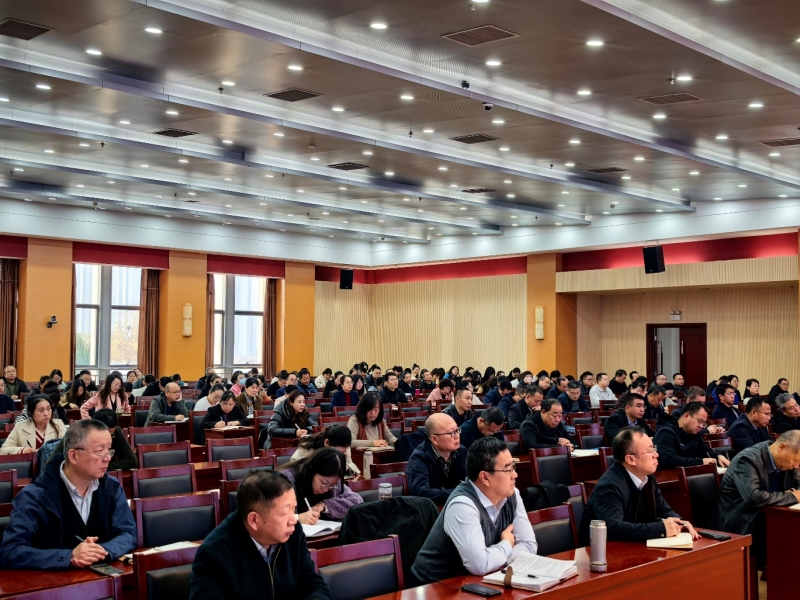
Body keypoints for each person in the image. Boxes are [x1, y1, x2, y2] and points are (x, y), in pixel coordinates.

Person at [0, 419, 136, 570]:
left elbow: (128, 532)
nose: (107, 458)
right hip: (52, 581)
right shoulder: (34, 496)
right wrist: (69, 556)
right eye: (99, 451)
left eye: (109, 450)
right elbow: (10, 551)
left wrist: (102, 551)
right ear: (73, 456)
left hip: (101, 578)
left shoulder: (112, 487)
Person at [188, 469, 332, 600]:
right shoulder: (213, 554)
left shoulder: (293, 533)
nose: (293, 520)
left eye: (294, 509)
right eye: (284, 513)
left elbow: (313, 584)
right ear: (254, 520)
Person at [411, 437, 538, 584]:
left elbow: (529, 545)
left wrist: (496, 559)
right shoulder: (462, 505)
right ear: (485, 477)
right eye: (508, 469)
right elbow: (480, 565)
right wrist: (507, 544)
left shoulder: (512, 494)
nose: (515, 475)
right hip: (436, 587)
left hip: (476, 582)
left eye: (513, 467)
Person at [578, 427, 699, 546]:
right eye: (650, 450)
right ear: (631, 459)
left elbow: (663, 509)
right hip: (602, 551)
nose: (656, 454)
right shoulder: (609, 486)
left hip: (633, 546)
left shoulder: (647, 477)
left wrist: (681, 522)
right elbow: (613, 527)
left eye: (654, 448)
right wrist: (661, 529)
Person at [714, 432, 800, 569]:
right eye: (796, 461)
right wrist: (793, 496)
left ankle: (783, 575)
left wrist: (793, 493)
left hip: (767, 516)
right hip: (742, 520)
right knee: (789, 537)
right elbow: (754, 498)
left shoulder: (787, 462)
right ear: (782, 447)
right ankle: (779, 574)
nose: (796, 466)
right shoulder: (748, 460)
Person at [278, 447, 362, 523]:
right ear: (312, 470)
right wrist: (297, 517)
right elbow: (274, 515)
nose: (326, 489)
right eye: (323, 483)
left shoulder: (333, 481)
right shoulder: (286, 479)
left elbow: (357, 502)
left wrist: (324, 505)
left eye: (332, 485)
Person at [46, 409, 137, 471]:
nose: (108, 438)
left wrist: (102, 466)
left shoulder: (116, 431)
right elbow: (51, 464)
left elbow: (132, 461)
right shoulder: (76, 433)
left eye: (111, 435)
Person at [406, 413, 467, 504]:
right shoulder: (419, 458)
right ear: (434, 439)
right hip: (431, 509)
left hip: (459, 505)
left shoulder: (462, 451)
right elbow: (421, 492)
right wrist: (459, 493)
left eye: (457, 430)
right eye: (452, 433)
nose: (457, 436)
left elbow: (472, 481)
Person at [653, 402, 730, 470]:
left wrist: (718, 456)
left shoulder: (694, 432)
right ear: (686, 416)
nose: (701, 426)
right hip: (669, 476)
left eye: (703, 423)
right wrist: (701, 462)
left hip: (689, 474)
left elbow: (704, 450)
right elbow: (670, 460)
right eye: (699, 421)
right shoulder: (665, 432)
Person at [1, 395, 65, 454]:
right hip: (28, 462)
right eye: (41, 410)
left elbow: (67, 447)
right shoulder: (20, 426)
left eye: (48, 409)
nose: (46, 413)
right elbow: (3, 450)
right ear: (30, 412)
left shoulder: (58, 424)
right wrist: (23, 450)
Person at [291, 426, 360, 476]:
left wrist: (347, 469)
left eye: (344, 451)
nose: (342, 454)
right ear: (327, 443)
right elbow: (293, 470)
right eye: (339, 452)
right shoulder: (307, 448)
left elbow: (353, 468)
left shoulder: (345, 449)